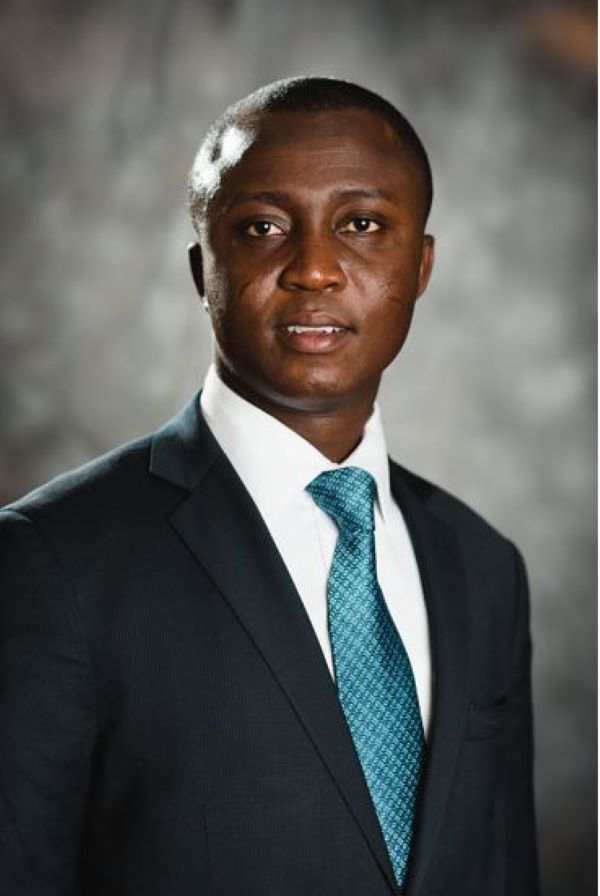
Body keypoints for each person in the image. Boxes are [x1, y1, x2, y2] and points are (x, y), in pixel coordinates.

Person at [0, 77, 540, 895]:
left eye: (362, 225)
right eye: (261, 227)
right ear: (202, 269)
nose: (314, 269)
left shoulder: (483, 566)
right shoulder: (49, 562)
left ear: (421, 264)